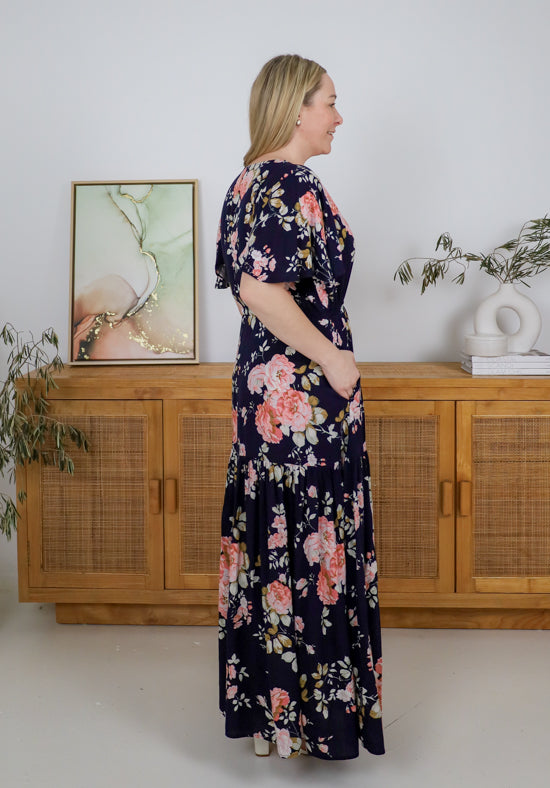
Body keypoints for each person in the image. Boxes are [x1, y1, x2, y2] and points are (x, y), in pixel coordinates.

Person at [215, 54, 384, 761]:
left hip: (263, 400)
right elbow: (259, 290)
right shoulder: (294, 184)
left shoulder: (246, 181)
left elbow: (249, 289)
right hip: (304, 407)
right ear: (295, 110)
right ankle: (313, 725)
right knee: (311, 545)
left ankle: (271, 723)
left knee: (270, 546)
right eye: (330, 103)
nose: (339, 117)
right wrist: (332, 357)